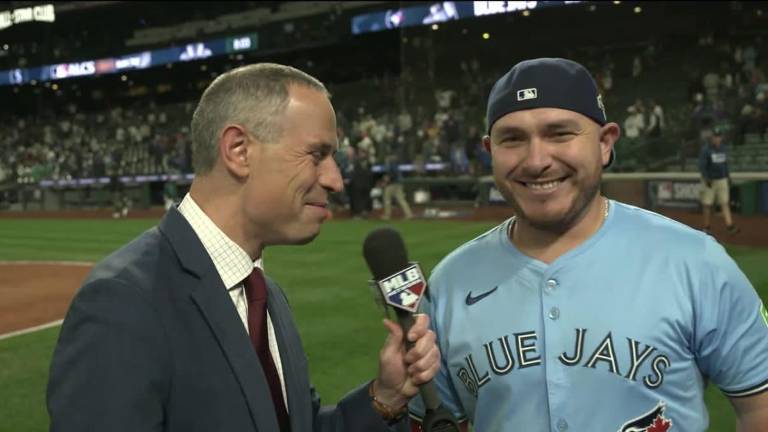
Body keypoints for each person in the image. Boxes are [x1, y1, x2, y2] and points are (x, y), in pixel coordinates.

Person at [48, 63, 441, 432]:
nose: (336, 180)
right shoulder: (124, 302)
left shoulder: (265, 293)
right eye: (318, 154)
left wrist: (384, 398)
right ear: (238, 150)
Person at [409, 58, 768, 431]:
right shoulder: (450, 283)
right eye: (513, 139)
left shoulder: (694, 261)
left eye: (560, 134)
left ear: (605, 143)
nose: (536, 161)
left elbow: (760, 406)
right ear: (489, 150)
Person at [699, 127, 740, 235]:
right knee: (707, 204)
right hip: (710, 180)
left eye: (718, 136)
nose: (717, 139)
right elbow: (702, 166)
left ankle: (729, 225)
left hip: (722, 179)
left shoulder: (723, 148)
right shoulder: (706, 150)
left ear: (721, 138)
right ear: (712, 138)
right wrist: (706, 178)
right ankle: (706, 227)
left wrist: (728, 176)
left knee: (725, 203)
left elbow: (725, 164)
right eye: (715, 137)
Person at [381, 153, 414, 220]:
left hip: (392, 184)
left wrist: (385, 182)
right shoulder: (396, 165)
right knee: (401, 200)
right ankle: (409, 214)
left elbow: (390, 176)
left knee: (387, 199)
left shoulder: (390, 165)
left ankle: (387, 216)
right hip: (399, 183)